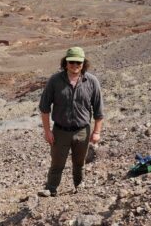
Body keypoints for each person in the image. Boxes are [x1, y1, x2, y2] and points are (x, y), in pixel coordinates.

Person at [38, 46, 104, 196]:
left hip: (82, 131)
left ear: (83, 63)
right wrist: (47, 131)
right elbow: (44, 108)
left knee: (79, 163)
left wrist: (97, 132)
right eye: (72, 62)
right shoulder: (55, 81)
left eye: (78, 62)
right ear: (65, 63)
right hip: (60, 131)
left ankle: (79, 187)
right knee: (57, 163)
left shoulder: (92, 82)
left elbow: (99, 111)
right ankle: (51, 189)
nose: (75, 65)